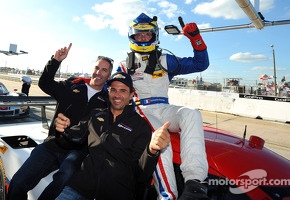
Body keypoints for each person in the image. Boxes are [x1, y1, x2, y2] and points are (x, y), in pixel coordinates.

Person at [118, 13, 209, 199]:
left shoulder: (166, 60)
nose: (143, 38)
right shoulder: (123, 65)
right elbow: (110, 90)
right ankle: (168, 196)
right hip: (139, 110)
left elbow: (201, 64)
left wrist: (196, 39)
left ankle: (194, 184)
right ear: (132, 36)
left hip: (164, 108)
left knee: (192, 114)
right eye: (139, 34)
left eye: (148, 34)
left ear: (154, 36)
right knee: (162, 143)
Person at [7, 43, 113, 200]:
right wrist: (55, 61)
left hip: (78, 152)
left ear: (109, 76)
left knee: (64, 178)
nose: (99, 72)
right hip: (52, 145)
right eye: (97, 67)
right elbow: (44, 83)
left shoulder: (108, 100)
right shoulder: (73, 84)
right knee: (18, 183)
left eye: (104, 70)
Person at [54, 72, 171, 200]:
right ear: (108, 92)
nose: (117, 95)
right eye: (113, 90)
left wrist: (152, 150)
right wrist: (62, 131)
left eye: (123, 91)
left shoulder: (140, 126)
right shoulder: (95, 115)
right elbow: (70, 140)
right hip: (80, 188)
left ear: (131, 95)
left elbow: (141, 175)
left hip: (116, 194)